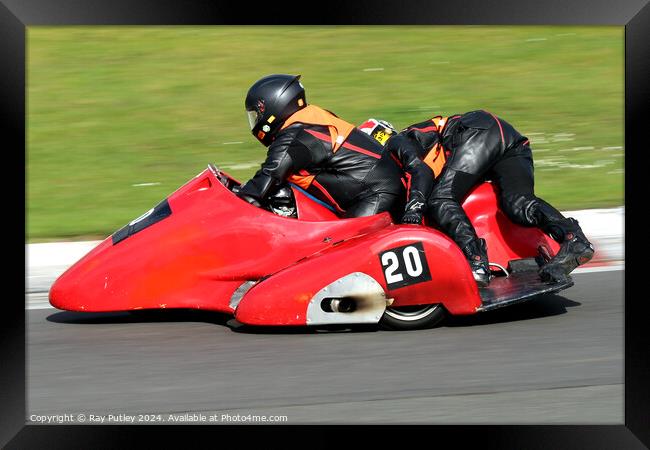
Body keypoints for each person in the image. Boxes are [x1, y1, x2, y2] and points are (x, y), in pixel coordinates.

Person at [381, 110, 594, 287]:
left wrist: (413, 211)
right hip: (511, 141)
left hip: (476, 132)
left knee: (441, 199)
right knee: (519, 205)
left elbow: (422, 173)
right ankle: (574, 239)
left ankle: (475, 260)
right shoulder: (415, 149)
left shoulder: (397, 141)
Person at [236, 74, 405, 219]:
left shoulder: (295, 135)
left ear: (273, 107)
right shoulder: (309, 120)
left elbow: (269, 176)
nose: (256, 122)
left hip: (375, 192)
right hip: (377, 186)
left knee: (344, 247)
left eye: (256, 115)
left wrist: (233, 201)